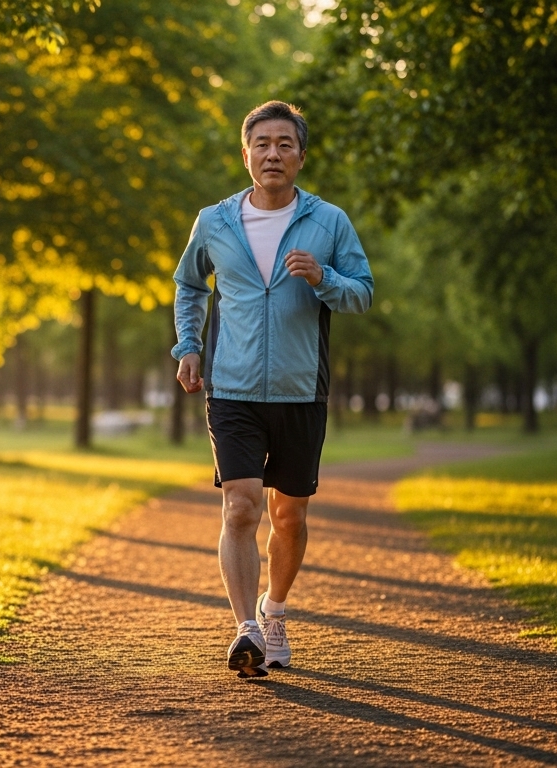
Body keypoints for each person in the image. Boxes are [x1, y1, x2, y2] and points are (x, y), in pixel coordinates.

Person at [172, 100, 373, 677]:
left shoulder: (329, 222)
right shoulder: (215, 221)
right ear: (246, 154)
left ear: (301, 157)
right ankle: (246, 629)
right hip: (231, 387)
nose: (273, 154)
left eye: (285, 144)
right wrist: (188, 345)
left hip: (300, 387)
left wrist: (324, 277)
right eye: (262, 144)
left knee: (290, 516)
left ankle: (275, 609)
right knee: (241, 506)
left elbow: (362, 292)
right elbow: (189, 285)